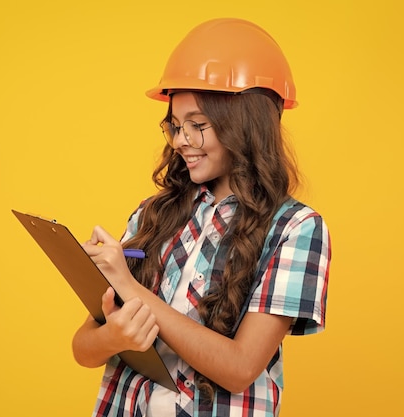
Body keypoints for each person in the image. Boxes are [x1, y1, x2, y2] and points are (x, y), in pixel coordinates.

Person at [72, 17, 331, 417]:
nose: (180, 141)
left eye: (197, 125)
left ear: (245, 124)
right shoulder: (152, 215)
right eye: (175, 126)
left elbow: (241, 367)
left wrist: (133, 291)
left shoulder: (295, 229)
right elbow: (83, 349)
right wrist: (115, 334)